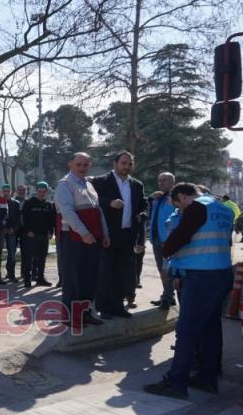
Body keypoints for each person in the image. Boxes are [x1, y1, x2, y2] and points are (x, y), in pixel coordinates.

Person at [144, 183, 234, 399]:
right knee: (211, 327)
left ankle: (176, 382)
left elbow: (178, 238)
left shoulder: (196, 207)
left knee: (186, 330)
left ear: (183, 197)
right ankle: (207, 377)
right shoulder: (223, 208)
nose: (180, 209)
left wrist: (166, 250)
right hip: (223, 273)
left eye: (178, 205)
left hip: (201, 276)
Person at [54, 152, 108, 327]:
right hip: (74, 239)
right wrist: (84, 233)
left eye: (85, 165)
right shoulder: (64, 185)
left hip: (93, 239)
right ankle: (70, 317)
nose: (82, 168)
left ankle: (85, 313)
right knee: (73, 278)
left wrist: (105, 234)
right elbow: (68, 213)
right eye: (79, 164)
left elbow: (98, 211)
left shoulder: (89, 185)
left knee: (90, 278)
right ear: (70, 164)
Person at [92, 151, 147, 320]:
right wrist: (109, 203)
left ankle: (118, 306)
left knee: (123, 273)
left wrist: (142, 215)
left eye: (130, 164)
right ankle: (104, 308)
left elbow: (143, 205)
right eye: (123, 163)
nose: (127, 167)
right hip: (108, 234)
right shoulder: (101, 181)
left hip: (127, 234)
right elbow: (93, 202)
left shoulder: (136, 185)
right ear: (115, 164)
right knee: (105, 272)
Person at [149, 172, 177, 310]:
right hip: (156, 239)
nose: (160, 183)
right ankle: (169, 297)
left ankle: (166, 298)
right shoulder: (157, 198)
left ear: (172, 182)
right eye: (159, 180)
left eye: (164, 180)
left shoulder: (176, 198)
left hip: (168, 240)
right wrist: (150, 199)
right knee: (162, 270)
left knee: (168, 271)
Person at [20, 182, 55, 288]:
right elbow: (23, 218)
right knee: (29, 258)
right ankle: (27, 280)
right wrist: (27, 230)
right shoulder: (28, 202)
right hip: (31, 235)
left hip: (44, 235)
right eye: (40, 191)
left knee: (42, 258)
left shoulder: (48, 204)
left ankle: (40, 278)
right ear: (36, 191)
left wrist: (51, 232)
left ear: (46, 192)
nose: (42, 193)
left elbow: (51, 220)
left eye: (44, 192)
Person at [1, 184, 22, 282]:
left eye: (7, 191)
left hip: (12, 232)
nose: (6, 193)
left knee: (12, 254)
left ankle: (11, 273)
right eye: (4, 191)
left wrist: (12, 229)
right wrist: (2, 228)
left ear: (11, 192)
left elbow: (19, 220)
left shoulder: (16, 203)